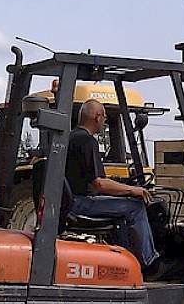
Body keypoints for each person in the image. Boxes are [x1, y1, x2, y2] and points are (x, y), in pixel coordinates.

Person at [64, 99, 159, 269]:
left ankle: (126, 260)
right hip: (81, 203)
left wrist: (121, 185)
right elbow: (99, 184)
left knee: (121, 212)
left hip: (72, 201)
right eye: (105, 118)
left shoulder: (71, 137)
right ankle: (149, 261)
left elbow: (89, 178)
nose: (105, 122)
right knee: (135, 207)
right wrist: (132, 190)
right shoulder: (87, 141)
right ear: (97, 117)